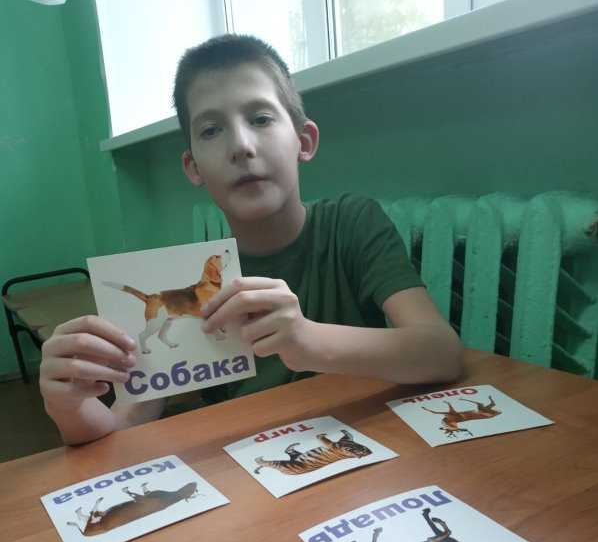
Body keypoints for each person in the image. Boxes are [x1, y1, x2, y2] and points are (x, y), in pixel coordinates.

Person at [40, 34, 463, 446]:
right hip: (253, 469)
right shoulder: (189, 280)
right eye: (211, 130)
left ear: (304, 141)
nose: (241, 146)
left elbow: (442, 352)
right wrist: (70, 409)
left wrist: (308, 339)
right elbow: (124, 425)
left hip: (369, 449)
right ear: (193, 167)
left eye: (260, 119)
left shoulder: (352, 223)